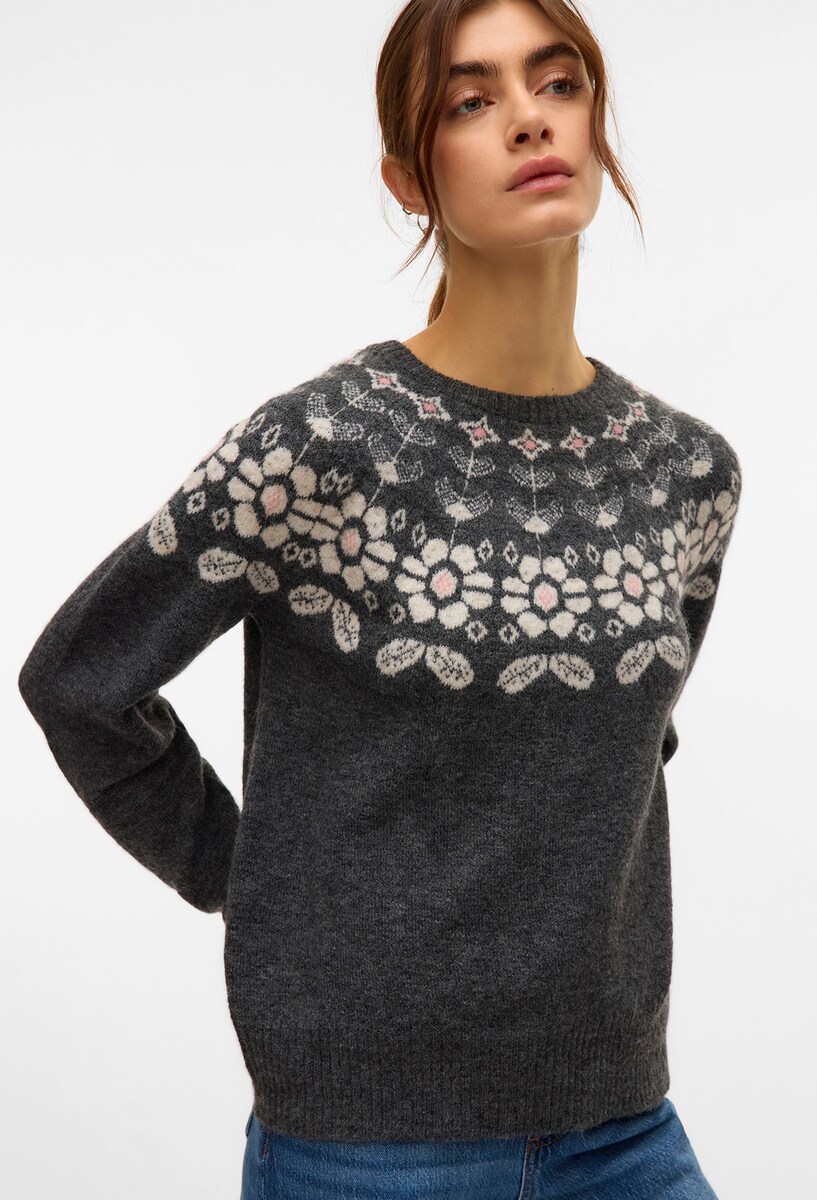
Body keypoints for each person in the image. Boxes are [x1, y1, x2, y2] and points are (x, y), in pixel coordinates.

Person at [18, 1, 742, 1197]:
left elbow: (627, 754)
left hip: (622, 1128)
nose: (527, 120)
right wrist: (245, 879)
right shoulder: (322, 447)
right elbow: (79, 681)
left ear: (596, 122)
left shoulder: (687, 473)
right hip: (367, 1146)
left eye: (557, 82)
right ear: (411, 180)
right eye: (471, 101)